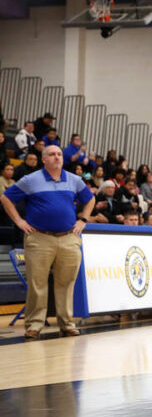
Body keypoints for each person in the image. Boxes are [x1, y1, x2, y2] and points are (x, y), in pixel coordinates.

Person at [1, 144, 94, 340]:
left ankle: (67, 323)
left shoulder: (74, 179)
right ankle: (34, 325)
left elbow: (90, 199)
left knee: (67, 283)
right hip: (39, 238)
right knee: (37, 283)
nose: (56, 157)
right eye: (52, 154)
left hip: (69, 238)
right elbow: (6, 198)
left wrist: (83, 219)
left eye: (59, 154)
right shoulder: (31, 180)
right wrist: (18, 221)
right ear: (44, 159)